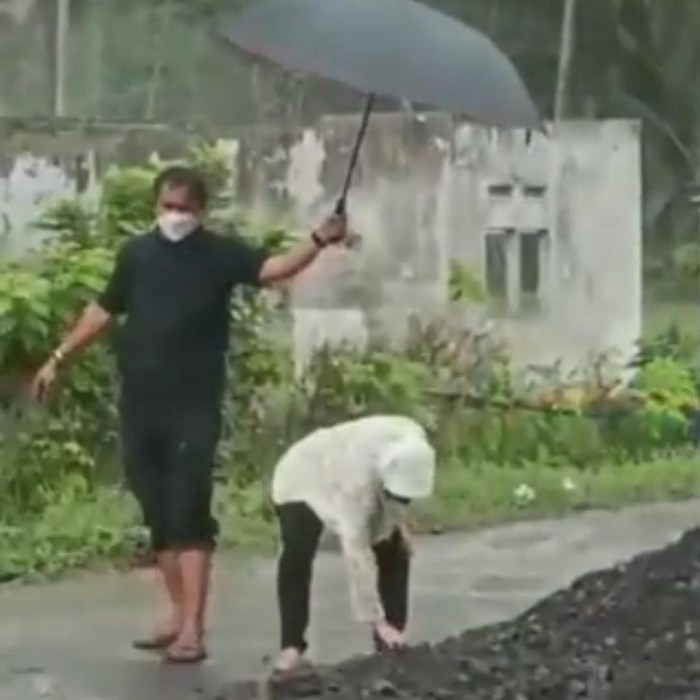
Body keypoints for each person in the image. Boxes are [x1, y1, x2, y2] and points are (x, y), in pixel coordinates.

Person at [30, 165, 348, 664]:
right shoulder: (136, 255)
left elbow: (275, 268)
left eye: (183, 208)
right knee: (157, 511)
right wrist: (59, 359)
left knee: (188, 512)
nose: (173, 216)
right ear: (156, 206)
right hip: (140, 402)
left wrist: (319, 239)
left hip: (193, 407)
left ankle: (194, 630)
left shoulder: (219, 255)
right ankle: (176, 615)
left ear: (200, 210)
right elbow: (103, 311)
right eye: (167, 206)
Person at [270, 414, 436, 675]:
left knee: (395, 548)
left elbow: (397, 499)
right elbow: (358, 553)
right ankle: (291, 648)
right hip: (301, 475)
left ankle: (390, 641)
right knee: (297, 553)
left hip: (349, 463)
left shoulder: (415, 444)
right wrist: (375, 619)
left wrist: (397, 522)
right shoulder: (355, 486)